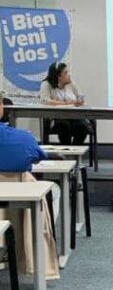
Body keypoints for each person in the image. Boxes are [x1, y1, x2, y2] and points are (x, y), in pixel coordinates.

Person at [0, 99, 60, 280]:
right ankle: (33, 257)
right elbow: (39, 156)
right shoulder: (23, 138)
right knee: (53, 192)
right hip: (19, 200)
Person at [39, 62, 90, 147]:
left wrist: (80, 101)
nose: (69, 75)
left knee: (82, 127)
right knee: (64, 126)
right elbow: (46, 101)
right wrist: (67, 103)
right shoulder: (46, 84)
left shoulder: (71, 83)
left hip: (75, 115)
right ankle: (66, 151)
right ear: (58, 76)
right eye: (66, 73)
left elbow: (80, 96)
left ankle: (75, 151)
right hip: (58, 116)